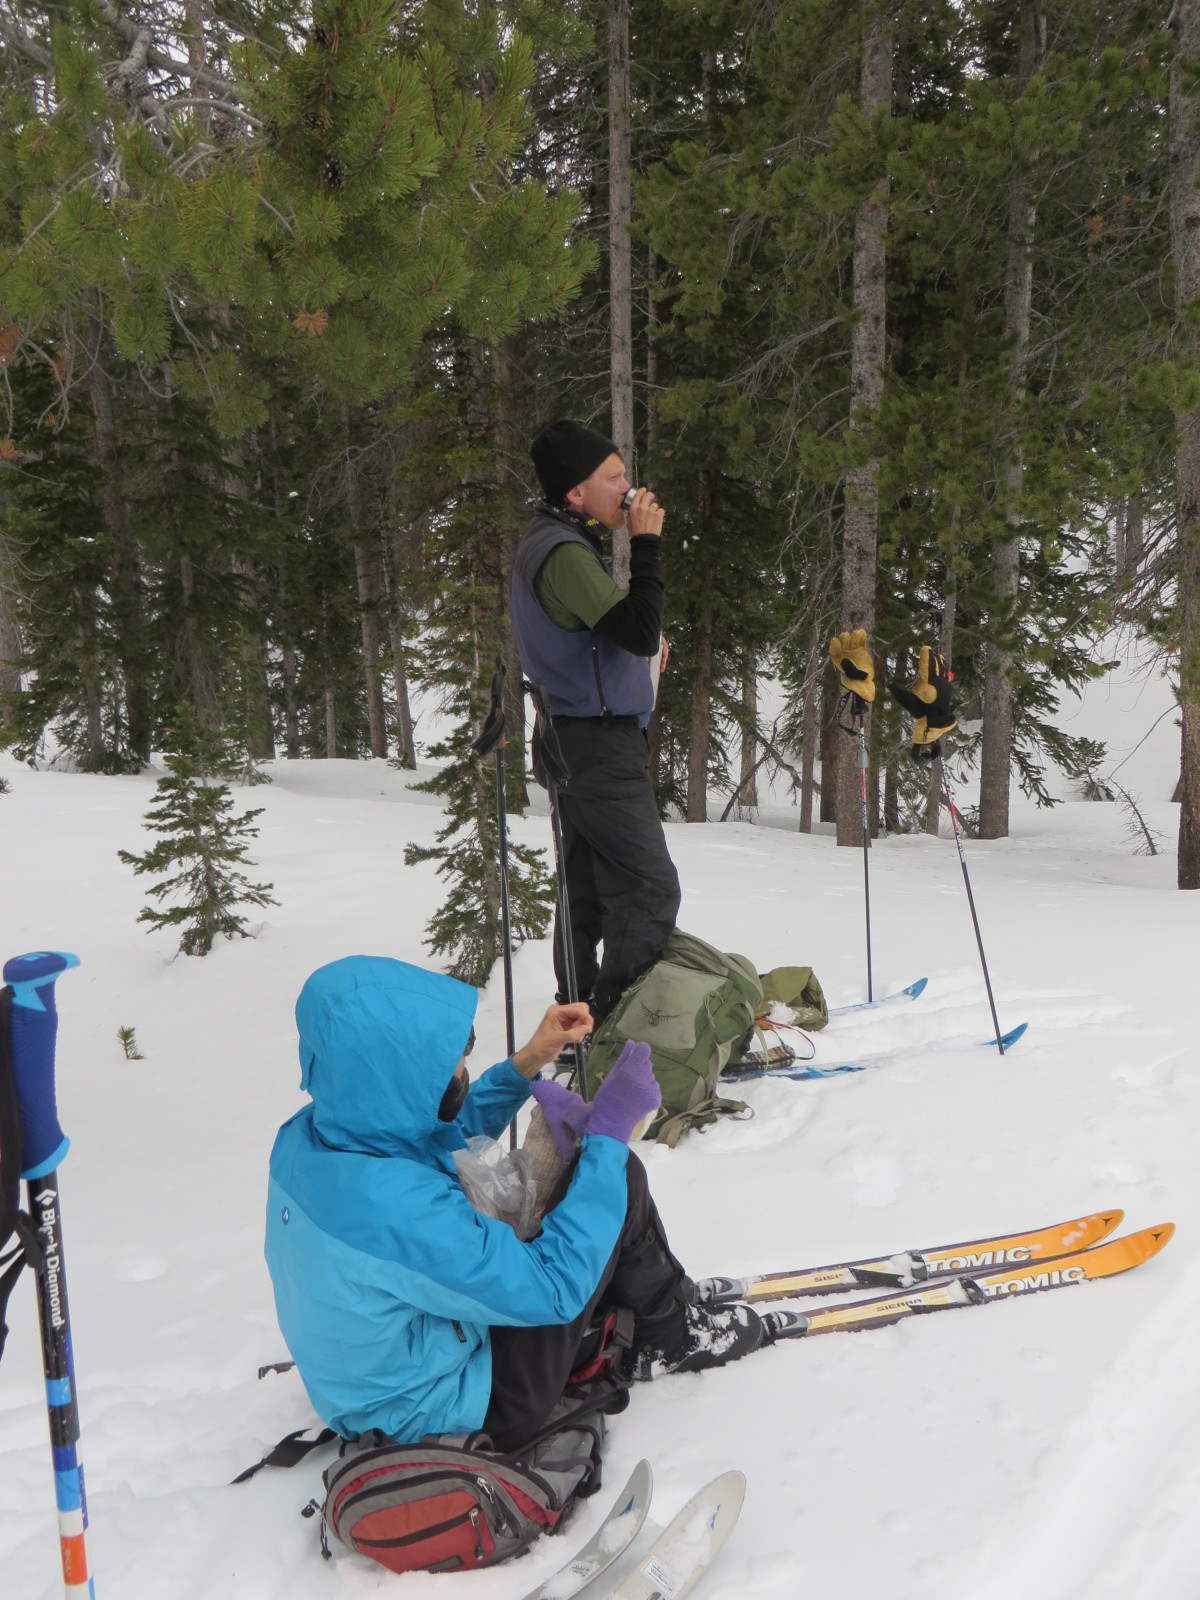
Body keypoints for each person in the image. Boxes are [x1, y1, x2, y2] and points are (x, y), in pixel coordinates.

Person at [264, 956, 764, 1453]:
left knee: (592, 1184)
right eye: (447, 1062)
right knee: (616, 1176)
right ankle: (668, 1337)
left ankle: (653, 1300)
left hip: (370, 1384)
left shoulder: (313, 1138)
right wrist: (610, 1135)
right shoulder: (395, 1211)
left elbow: (422, 1129)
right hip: (458, 1409)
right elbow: (553, 1288)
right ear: (400, 1076)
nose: (461, 1067)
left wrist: (527, 1062)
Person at [510, 419, 680, 1028]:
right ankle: (616, 1025)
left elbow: (611, 635)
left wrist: (640, 654)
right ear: (575, 493)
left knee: (583, 890)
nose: (628, 489)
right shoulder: (562, 553)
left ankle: (578, 1018)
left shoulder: (557, 540)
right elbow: (635, 631)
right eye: (614, 478)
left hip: (573, 737)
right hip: (597, 745)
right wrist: (647, 546)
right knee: (650, 888)